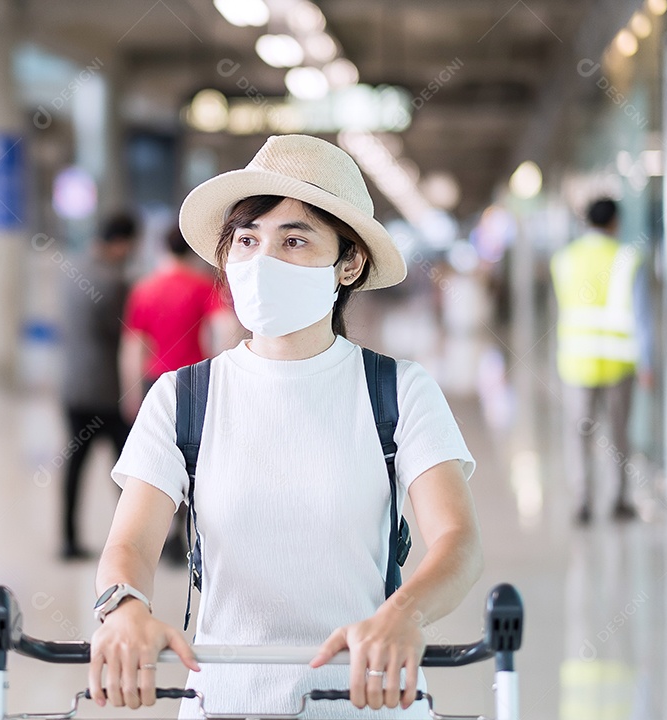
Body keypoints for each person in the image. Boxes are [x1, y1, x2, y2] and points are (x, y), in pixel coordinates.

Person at [88, 135, 482, 719]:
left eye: (294, 240)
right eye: (247, 241)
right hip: (226, 701)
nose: (263, 261)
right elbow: (131, 542)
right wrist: (123, 607)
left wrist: (405, 614)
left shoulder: (398, 391)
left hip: (365, 701)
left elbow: (457, 541)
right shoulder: (183, 398)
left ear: (349, 263)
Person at [119, 225, 238, 565]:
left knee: (158, 463)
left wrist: (130, 393)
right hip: (193, 385)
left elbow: (132, 348)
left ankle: (159, 534)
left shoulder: (144, 289)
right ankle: (184, 538)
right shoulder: (202, 286)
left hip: (154, 383)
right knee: (195, 463)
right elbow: (226, 328)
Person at [550, 198, 651, 525]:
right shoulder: (627, 258)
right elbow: (641, 316)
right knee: (619, 433)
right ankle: (619, 500)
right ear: (615, 223)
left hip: (577, 362)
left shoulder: (564, 260)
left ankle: (582, 501)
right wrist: (647, 362)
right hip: (619, 364)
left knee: (579, 434)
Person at [59, 214, 137, 561]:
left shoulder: (70, 271)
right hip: (106, 390)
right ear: (120, 242)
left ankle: (68, 539)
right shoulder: (114, 282)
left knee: (76, 463)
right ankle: (131, 541)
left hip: (72, 385)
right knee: (128, 468)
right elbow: (124, 335)